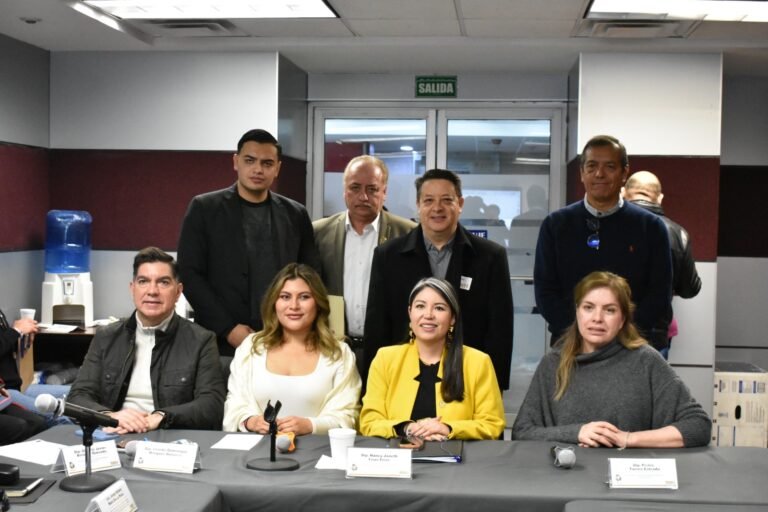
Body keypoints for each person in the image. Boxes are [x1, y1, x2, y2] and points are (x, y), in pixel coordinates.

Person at [512, 271, 711, 448]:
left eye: (609, 310)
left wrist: (627, 438)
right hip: (565, 475)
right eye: (588, 307)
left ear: (622, 319)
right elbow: (522, 432)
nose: (597, 318)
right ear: (577, 312)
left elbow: (698, 426)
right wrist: (576, 433)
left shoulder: (646, 361)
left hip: (628, 475)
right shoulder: (553, 363)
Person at [363, 169, 514, 390]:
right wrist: (373, 384)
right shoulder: (388, 256)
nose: (437, 208)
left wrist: (494, 385)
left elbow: (500, 330)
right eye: (429, 200)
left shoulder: (489, 257)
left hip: (467, 377)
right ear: (418, 204)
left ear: (460, 204)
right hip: (404, 377)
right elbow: (377, 326)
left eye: (446, 200)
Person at [177, 128, 320, 357]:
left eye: (267, 163)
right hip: (220, 343)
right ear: (236, 162)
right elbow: (190, 274)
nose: (258, 169)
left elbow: (310, 277)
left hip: (284, 339)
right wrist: (228, 329)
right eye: (250, 160)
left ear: (277, 168)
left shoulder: (296, 214)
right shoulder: (204, 209)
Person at [534, 135, 673, 350]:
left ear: (624, 173)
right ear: (582, 173)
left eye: (609, 166)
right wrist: (582, 334)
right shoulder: (556, 225)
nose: (599, 174)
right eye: (591, 166)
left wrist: (621, 335)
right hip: (570, 345)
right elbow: (546, 292)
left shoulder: (651, 227)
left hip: (631, 346)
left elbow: (659, 294)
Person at [68, 247, 226, 433]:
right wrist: (110, 417)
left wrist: (160, 417)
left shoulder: (201, 340)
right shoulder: (106, 337)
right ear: (132, 288)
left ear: (178, 292)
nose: (152, 291)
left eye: (163, 282)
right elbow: (78, 396)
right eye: (143, 281)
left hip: (169, 435)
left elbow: (211, 405)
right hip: (113, 433)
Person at [360, 278, 505, 441]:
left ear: (452, 318)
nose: (428, 315)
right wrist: (407, 428)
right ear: (410, 312)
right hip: (397, 454)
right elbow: (369, 422)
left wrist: (448, 428)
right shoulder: (385, 359)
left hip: (456, 456)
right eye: (420, 306)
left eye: (439, 308)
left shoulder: (478, 362)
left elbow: (492, 424)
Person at [223, 263, 361, 434]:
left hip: (319, 448)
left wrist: (310, 426)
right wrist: (251, 422)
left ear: (318, 303)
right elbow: (234, 404)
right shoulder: (251, 347)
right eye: (285, 297)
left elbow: (347, 415)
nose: (294, 306)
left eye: (304, 297)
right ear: (274, 303)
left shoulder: (339, 353)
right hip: (258, 447)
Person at [312, 155, 416, 362]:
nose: (363, 197)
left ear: (384, 192)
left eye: (372, 189)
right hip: (332, 349)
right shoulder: (318, 233)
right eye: (355, 188)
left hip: (391, 351)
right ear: (344, 190)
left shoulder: (409, 234)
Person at [624, 170, 702, 354]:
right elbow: (690, 289)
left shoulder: (609, 226)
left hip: (614, 330)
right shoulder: (678, 233)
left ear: (624, 193)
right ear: (659, 198)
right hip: (656, 333)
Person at [0, 311, 45, 443]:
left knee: (38, 422)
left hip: (10, 388)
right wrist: (16, 331)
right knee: (59, 415)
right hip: (8, 390)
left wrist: (23, 336)